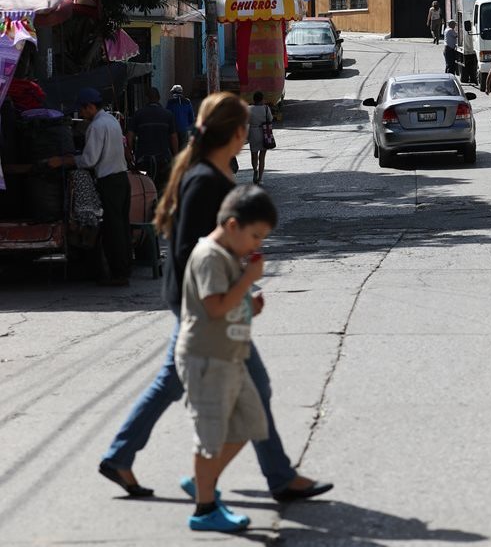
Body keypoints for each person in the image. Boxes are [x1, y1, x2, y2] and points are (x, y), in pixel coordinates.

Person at [98, 92, 332, 502]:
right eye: (245, 127)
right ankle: (266, 478)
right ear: (238, 131)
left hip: (202, 296)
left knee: (173, 382)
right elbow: (192, 249)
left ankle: (123, 457)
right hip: (202, 300)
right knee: (253, 387)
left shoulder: (217, 171)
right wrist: (239, 290)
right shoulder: (205, 179)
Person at [176, 185, 278, 531]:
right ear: (233, 225)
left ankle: (203, 479)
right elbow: (215, 307)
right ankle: (204, 509)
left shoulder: (230, 255)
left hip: (230, 356)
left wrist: (250, 304)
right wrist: (248, 279)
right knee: (210, 437)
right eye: (255, 236)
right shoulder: (209, 256)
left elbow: (230, 304)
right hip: (206, 359)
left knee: (251, 421)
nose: (257, 245)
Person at [48, 87, 131, 286]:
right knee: (121, 227)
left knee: (113, 230)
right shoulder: (111, 120)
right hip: (121, 179)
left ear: (91, 107)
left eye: (83, 111)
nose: (82, 114)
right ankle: (124, 269)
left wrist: (64, 161)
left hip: (109, 181)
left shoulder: (96, 126)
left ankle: (118, 274)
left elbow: (89, 160)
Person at [127, 87, 178, 194]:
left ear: (146, 98)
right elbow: (173, 137)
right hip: (163, 159)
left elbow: (130, 136)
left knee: (145, 189)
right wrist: (176, 156)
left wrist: (130, 155)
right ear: (159, 98)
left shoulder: (138, 114)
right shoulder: (168, 114)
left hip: (143, 159)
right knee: (162, 188)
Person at [248, 91, 273, 185]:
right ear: (262, 99)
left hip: (253, 133)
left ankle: (255, 170)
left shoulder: (249, 109)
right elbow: (270, 119)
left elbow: (246, 120)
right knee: (262, 157)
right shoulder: (266, 108)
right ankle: (261, 178)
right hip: (264, 134)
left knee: (253, 155)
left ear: (254, 99)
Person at [166, 84, 195, 150]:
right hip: (184, 129)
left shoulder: (170, 102)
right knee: (183, 149)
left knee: (173, 149)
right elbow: (191, 117)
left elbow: (167, 115)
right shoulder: (187, 102)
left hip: (173, 129)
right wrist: (186, 125)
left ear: (173, 93)